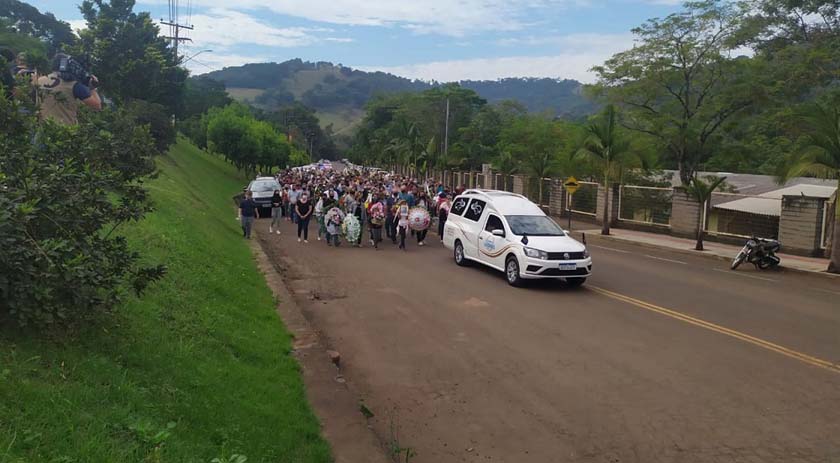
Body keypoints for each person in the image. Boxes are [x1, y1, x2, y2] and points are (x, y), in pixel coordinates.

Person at [36, 53, 101, 125]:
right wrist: (92, 87)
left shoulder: (39, 80)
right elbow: (97, 106)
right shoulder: (74, 85)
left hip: (43, 128)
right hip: (65, 131)